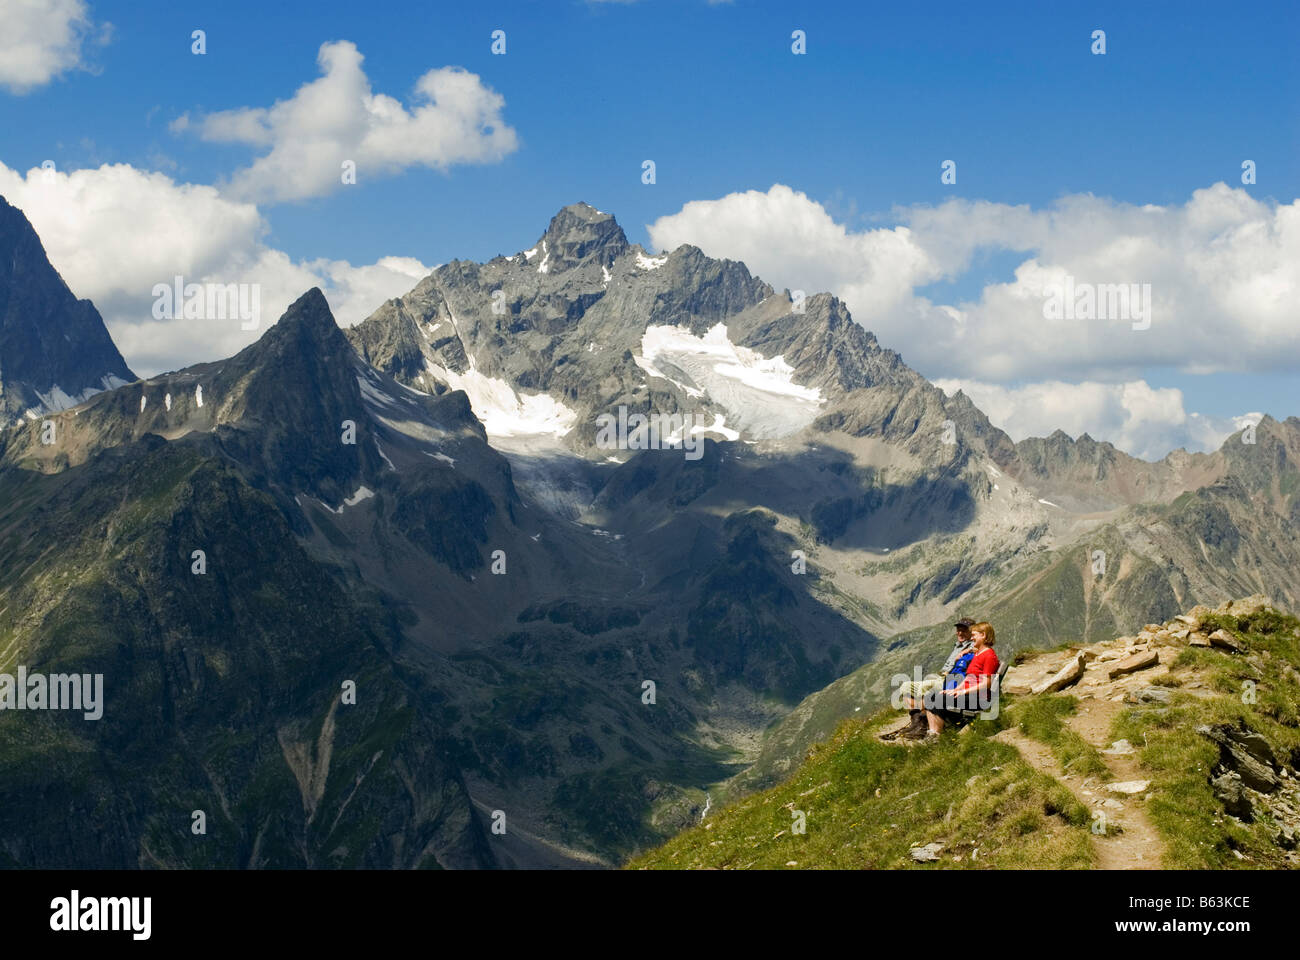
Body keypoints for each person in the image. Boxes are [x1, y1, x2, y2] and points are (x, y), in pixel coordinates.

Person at [888, 619, 976, 741]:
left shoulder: (973, 644)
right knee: (906, 686)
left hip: (951, 679)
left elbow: (980, 648)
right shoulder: (958, 645)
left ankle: (923, 724)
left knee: (925, 688)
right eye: (958, 630)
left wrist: (969, 650)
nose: (960, 633)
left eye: (964, 631)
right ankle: (916, 721)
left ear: (972, 633)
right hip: (941, 676)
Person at [921, 622, 999, 741]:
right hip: (969, 694)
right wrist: (957, 689)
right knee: (930, 696)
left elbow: (987, 683)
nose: (971, 638)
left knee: (939, 699)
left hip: (979, 699)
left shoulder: (989, 656)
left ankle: (935, 737)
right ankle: (933, 733)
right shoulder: (978, 653)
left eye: (974, 635)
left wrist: (964, 692)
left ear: (983, 635)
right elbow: (969, 677)